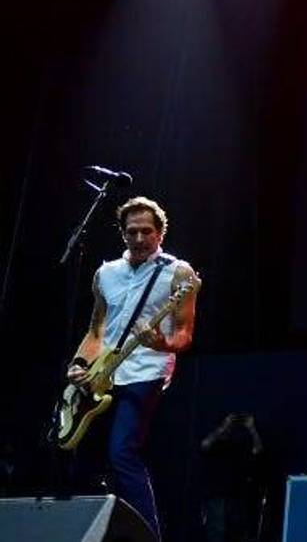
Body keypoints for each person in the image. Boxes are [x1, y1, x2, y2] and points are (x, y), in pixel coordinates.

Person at [67, 196, 200, 540]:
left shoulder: (179, 273)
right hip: (102, 374)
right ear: (122, 234)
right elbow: (96, 330)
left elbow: (184, 336)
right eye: (132, 232)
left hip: (147, 371)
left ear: (160, 234)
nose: (139, 239)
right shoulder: (105, 273)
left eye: (146, 232)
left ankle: (148, 535)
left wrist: (160, 342)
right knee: (85, 457)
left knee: (122, 450)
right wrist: (79, 363)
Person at [200, 413, 265, 542]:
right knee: (217, 534)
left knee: (237, 534)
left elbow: (258, 451)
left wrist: (252, 428)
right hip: (217, 498)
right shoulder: (214, 445)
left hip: (237, 498)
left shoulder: (238, 445)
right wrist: (224, 426)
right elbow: (204, 444)